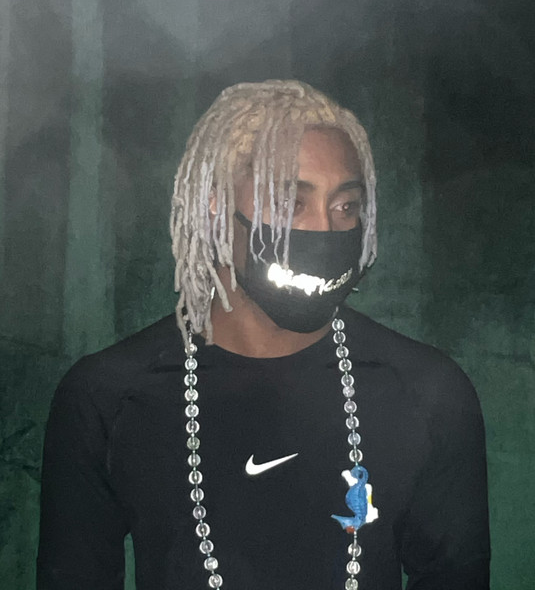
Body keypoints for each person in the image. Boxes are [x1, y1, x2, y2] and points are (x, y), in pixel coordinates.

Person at [37, 80, 490, 589]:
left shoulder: (428, 392)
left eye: (345, 207)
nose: (324, 231)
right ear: (214, 202)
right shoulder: (107, 396)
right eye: (290, 203)